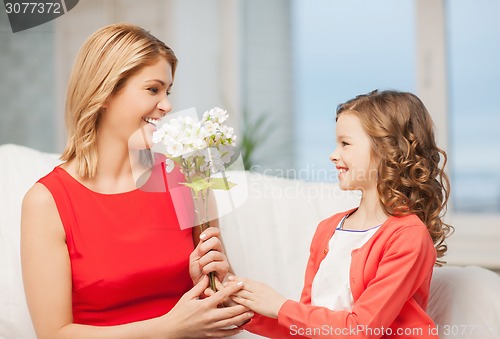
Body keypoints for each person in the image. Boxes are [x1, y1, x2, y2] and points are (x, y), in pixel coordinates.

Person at [21, 23, 253, 339]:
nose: (167, 105)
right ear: (104, 92)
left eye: (168, 91)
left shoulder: (190, 178)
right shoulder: (47, 201)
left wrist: (216, 283)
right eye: (153, 89)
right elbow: (54, 334)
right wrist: (172, 327)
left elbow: (227, 318)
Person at [226, 90, 452, 338]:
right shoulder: (328, 229)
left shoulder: (408, 237)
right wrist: (242, 309)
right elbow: (307, 327)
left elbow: (362, 329)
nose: (333, 155)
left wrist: (280, 306)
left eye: (345, 143)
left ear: (388, 150)